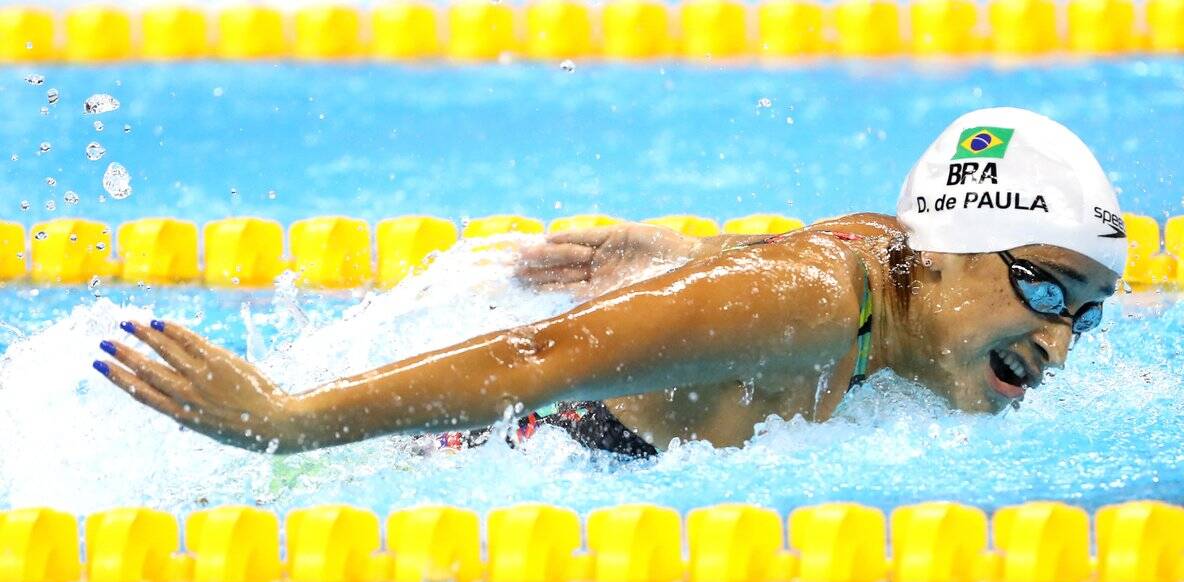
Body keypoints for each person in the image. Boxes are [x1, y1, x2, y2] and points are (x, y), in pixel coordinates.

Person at [91, 107, 1126, 457]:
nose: (1059, 343)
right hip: (488, 451)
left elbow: (763, 279)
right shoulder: (815, 303)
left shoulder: (893, 270)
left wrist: (679, 273)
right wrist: (289, 414)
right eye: (1042, 290)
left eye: (1085, 312)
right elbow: (536, 358)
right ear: (941, 250)